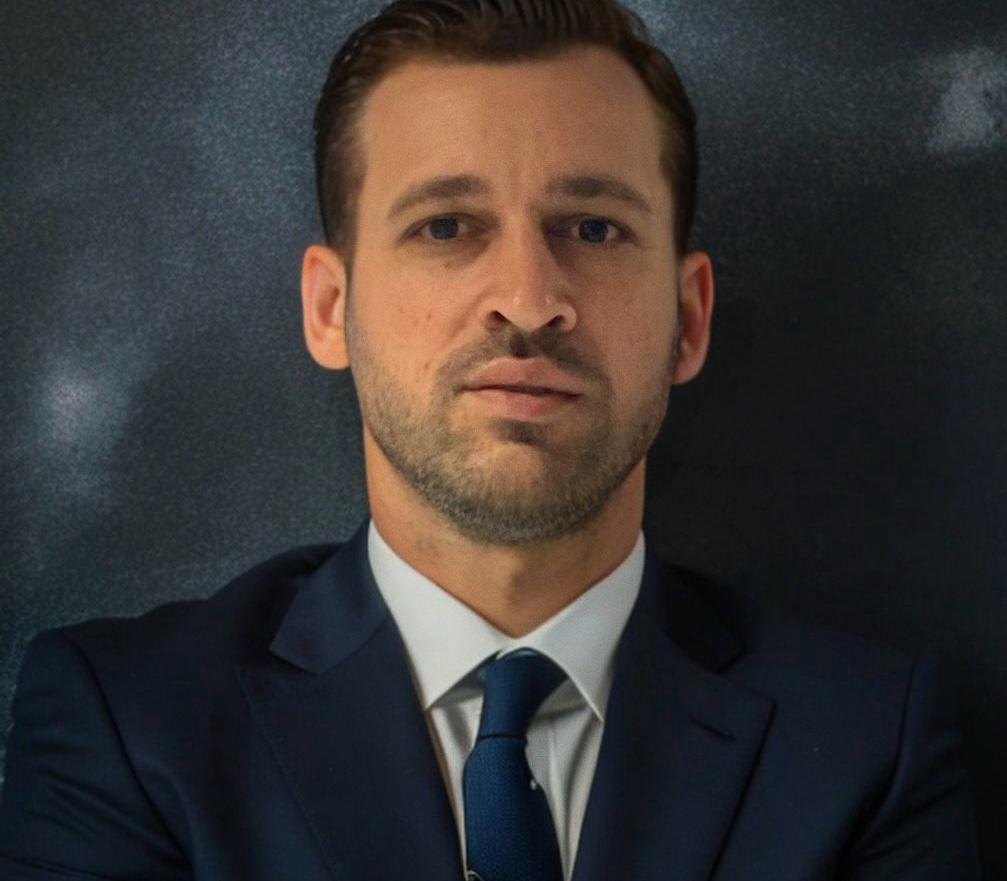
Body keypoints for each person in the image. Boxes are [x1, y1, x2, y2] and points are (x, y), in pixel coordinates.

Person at [0, 0, 981, 879]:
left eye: (592, 228)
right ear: (330, 308)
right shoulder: (126, 725)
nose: (527, 296)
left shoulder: (869, 747)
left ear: (688, 320)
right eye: (445, 226)